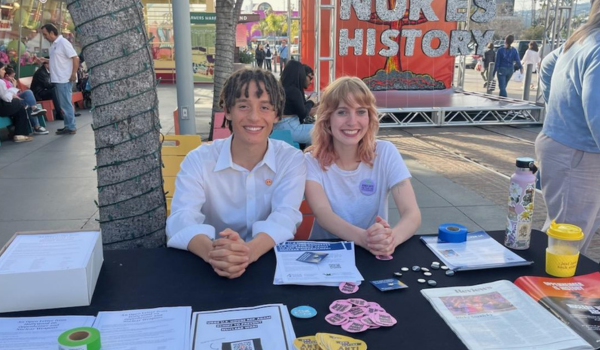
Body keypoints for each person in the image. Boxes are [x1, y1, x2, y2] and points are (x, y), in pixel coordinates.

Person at [166, 68, 306, 279]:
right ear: (228, 111)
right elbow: (181, 216)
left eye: (265, 107)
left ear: (277, 115)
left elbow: (285, 216)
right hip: (209, 264)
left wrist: (247, 252)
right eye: (243, 106)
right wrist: (214, 253)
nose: (254, 117)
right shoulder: (198, 159)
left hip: (268, 263)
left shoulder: (291, 160)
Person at [304, 76, 421, 257]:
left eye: (360, 111)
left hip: (372, 253)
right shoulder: (311, 161)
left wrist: (390, 240)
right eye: (342, 112)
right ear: (327, 119)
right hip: (325, 254)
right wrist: (365, 238)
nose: (352, 121)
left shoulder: (385, 153)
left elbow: (411, 213)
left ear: (369, 117)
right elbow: (323, 214)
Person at [536, 0, 600, 255]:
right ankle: (542, 293)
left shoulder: (584, 36)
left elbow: (548, 64)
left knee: (564, 236)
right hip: (578, 152)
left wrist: (559, 112)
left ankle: (539, 290)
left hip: (570, 147)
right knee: (567, 243)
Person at [40, 23, 79, 135]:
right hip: (59, 78)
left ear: (52, 32)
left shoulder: (63, 43)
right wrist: (46, 60)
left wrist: (73, 73)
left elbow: (75, 58)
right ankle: (68, 126)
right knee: (64, 104)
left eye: (45, 34)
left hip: (64, 79)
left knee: (66, 104)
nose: (45, 37)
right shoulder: (54, 45)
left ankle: (71, 127)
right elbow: (59, 60)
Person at [273, 60, 317, 145]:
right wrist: (311, 101)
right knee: (319, 131)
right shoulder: (294, 91)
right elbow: (303, 113)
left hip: (280, 125)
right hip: (289, 126)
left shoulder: (280, 88)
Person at [3, 66, 48, 135]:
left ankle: (34, 108)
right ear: (7, 76)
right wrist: (15, 87)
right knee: (28, 104)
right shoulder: (3, 82)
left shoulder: (9, 82)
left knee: (28, 92)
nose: (13, 79)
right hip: (11, 101)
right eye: (12, 77)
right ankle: (37, 127)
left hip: (16, 98)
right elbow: (9, 95)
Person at [0, 62, 33, 143]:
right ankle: (19, 133)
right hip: (1, 107)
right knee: (19, 104)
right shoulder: (1, 82)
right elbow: (6, 98)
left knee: (19, 106)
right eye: (3, 69)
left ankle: (15, 131)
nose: (4, 71)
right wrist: (13, 91)